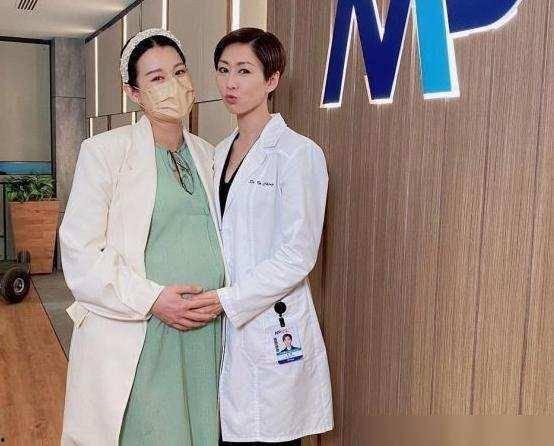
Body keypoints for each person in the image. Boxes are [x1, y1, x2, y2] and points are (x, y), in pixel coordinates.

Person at [59, 28, 224, 445]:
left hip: (206, 334)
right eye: (156, 77)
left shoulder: (209, 155)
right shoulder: (105, 152)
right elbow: (80, 252)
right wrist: (154, 300)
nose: (173, 85)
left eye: (179, 72)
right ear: (133, 92)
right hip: (142, 329)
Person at [197, 27, 334, 445]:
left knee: (270, 434)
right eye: (223, 70)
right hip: (225, 325)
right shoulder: (218, 151)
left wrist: (229, 299)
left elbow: (298, 254)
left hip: (271, 322)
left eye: (244, 71)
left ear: (271, 80)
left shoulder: (298, 153)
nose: (230, 82)